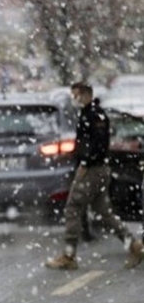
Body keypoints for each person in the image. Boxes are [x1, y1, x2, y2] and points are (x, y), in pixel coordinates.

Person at [45, 82, 144, 270]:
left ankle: (69, 254)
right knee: (103, 212)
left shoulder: (94, 115)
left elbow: (98, 145)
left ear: (85, 94)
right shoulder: (87, 114)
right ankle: (133, 245)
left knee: (73, 207)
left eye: (75, 95)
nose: (74, 99)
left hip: (92, 170)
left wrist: (85, 163)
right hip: (95, 168)